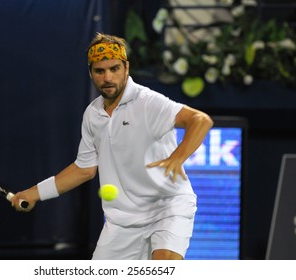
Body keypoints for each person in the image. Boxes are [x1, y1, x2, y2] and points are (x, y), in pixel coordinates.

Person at [11, 33, 213, 260]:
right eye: (100, 71)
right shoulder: (92, 114)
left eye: (114, 69)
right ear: (91, 73)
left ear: (126, 68)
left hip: (167, 209)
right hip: (122, 222)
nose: (108, 77)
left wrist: (177, 158)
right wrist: (34, 194)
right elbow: (84, 169)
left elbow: (200, 121)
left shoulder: (148, 102)